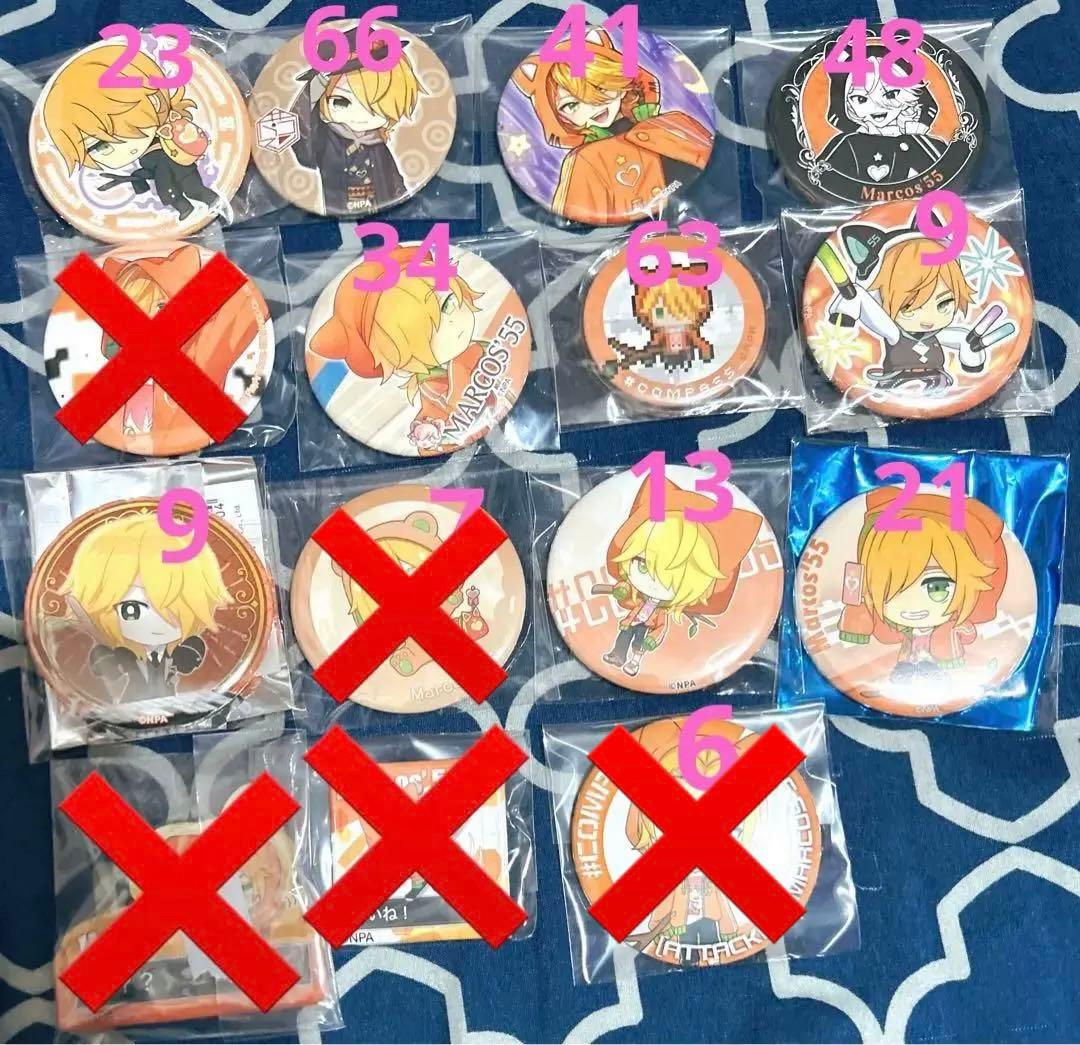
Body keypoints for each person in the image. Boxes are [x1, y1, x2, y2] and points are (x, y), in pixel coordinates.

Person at [308, 245, 503, 455]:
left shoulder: (488, 339)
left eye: (448, 303)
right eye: (425, 334)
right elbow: (432, 418)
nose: (452, 323)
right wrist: (427, 430)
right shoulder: (432, 385)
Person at [510, 29, 712, 223]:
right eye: (571, 105)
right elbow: (578, 217)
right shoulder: (586, 160)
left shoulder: (674, 121)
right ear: (557, 117)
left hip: (704, 207)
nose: (592, 106)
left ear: (621, 82)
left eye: (600, 87)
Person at [595, 476, 761, 677]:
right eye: (643, 565)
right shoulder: (641, 594)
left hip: (647, 628)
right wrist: (622, 590)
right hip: (631, 621)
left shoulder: (662, 612)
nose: (654, 582)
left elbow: (660, 627)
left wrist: (653, 640)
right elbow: (627, 591)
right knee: (624, 635)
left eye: (675, 579)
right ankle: (618, 655)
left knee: (639, 644)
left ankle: (634, 662)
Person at [838, 486, 1007, 682]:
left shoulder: (954, 623)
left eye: (937, 587)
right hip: (904, 669)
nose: (913, 605)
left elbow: (969, 633)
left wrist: (949, 634)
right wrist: (857, 615)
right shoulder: (890, 626)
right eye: (889, 589)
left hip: (943, 675)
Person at [61, 513, 233, 701]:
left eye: (171, 608)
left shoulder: (183, 652)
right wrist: (113, 658)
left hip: (177, 707)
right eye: (132, 609)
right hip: (128, 709)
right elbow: (100, 667)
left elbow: (192, 661)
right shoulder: (119, 654)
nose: (156, 621)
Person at [42, 45, 223, 221]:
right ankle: (186, 205)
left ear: (154, 101)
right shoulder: (153, 150)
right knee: (182, 187)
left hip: (179, 168)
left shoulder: (166, 132)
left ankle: (197, 203)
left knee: (187, 188)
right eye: (98, 146)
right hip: (168, 174)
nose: (113, 148)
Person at [290, 39, 422, 214]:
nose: (359, 115)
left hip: (381, 210)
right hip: (339, 209)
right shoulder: (326, 137)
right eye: (341, 102)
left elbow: (394, 183)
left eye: (376, 108)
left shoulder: (377, 144)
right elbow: (301, 143)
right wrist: (313, 91)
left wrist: (404, 207)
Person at [818, 44, 948, 185]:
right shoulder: (847, 144)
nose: (876, 107)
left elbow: (946, 170)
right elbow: (821, 178)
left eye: (891, 94)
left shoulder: (923, 144)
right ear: (846, 103)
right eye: (861, 99)